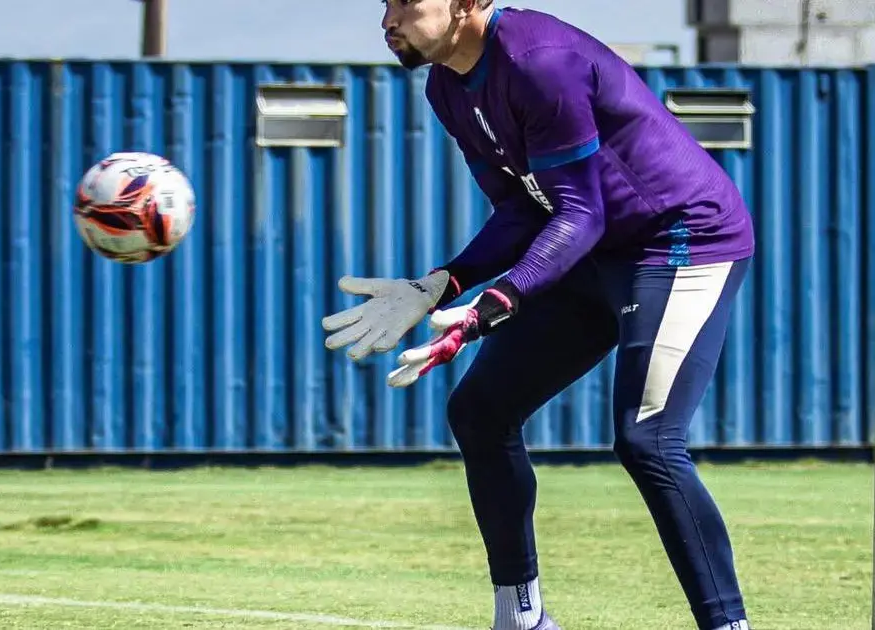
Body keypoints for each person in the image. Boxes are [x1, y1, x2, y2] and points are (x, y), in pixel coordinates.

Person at [320, 2, 755, 629]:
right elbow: (524, 213)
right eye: (383, 3)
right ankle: (521, 619)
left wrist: (490, 308)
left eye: (407, 1)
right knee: (479, 411)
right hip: (596, 246)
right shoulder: (445, 85)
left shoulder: (539, 62)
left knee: (648, 441)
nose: (388, 18)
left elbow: (580, 213)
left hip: (679, 240)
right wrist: (438, 285)